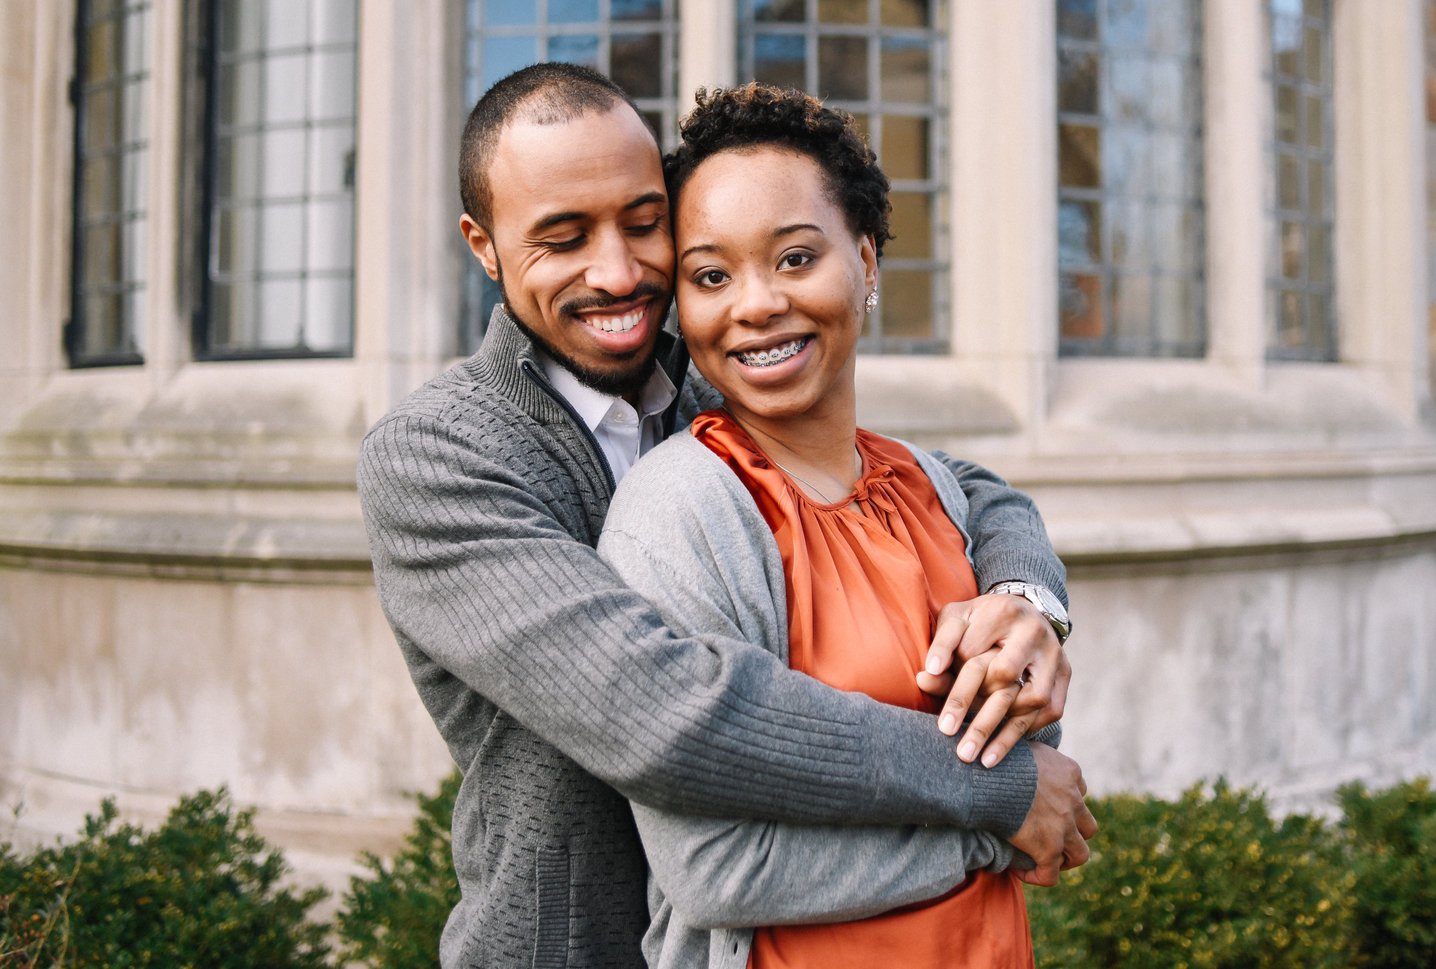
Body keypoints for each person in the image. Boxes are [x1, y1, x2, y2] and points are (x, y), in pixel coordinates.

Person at [356, 62, 1092, 969]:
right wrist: (992, 795)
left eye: (643, 221)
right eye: (562, 237)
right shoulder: (436, 454)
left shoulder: (713, 378)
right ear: (484, 244)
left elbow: (962, 485)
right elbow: (662, 708)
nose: (619, 272)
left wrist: (1027, 597)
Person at [597, 83, 1081, 969]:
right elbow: (716, 867)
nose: (755, 304)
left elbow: (1026, 744)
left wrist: (1032, 610)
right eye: (711, 275)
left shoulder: (932, 487)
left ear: (866, 260)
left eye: (793, 258)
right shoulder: (683, 512)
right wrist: (996, 826)